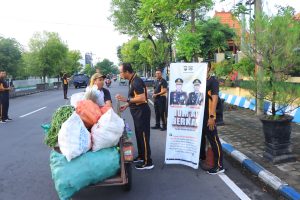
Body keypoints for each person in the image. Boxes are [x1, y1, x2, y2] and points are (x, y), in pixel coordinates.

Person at [115, 63, 154, 170]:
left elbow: (142, 98)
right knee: (139, 135)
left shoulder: (136, 81)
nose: (120, 74)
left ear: (127, 72)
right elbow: (134, 97)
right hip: (137, 112)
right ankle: (142, 156)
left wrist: (126, 100)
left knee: (144, 136)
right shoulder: (132, 80)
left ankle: (147, 162)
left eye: (121, 72)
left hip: (142, 112)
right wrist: (127, 105)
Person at [200, 62, 224, 175]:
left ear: (209, 68)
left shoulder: (213, 81)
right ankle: (203, 158)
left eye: (206, 67)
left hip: (209, 116)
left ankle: (219, 165)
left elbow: (214, 99)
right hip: (201, 116)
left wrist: (212, 117)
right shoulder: (201, 81)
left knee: (214, 139)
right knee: (203, 138)